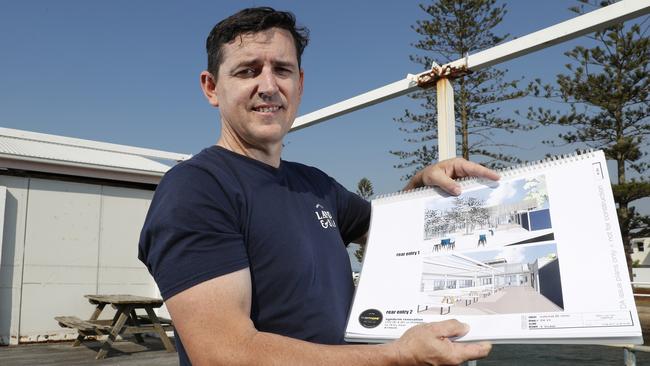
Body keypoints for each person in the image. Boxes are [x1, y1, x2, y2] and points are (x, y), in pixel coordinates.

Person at [139, 7, 499, 366]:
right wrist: (396, 356)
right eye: (248, 70)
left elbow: (394, 237)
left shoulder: (315, 185)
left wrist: (422, 183)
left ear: (300, 84)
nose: (268, 86)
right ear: (212, 87)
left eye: (282, 70)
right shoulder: (196, 189)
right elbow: (224, 354)